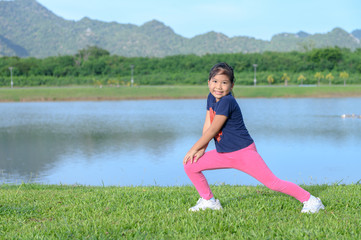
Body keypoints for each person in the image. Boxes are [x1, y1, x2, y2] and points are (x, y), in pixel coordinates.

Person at [183, 62, 325, 213]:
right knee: (190, 165)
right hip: (223, 153)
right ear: (208, 82)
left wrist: (193, 148)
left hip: (243, 153)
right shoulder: (212, 98)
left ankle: (311, 200)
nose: (218, 87)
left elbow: (213, 130)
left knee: (273, 183)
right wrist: (201, 150)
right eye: (215, 82)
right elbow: (207, 125)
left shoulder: (227, 101)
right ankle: (209, 201)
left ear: (231, 85)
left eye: (224, 83)